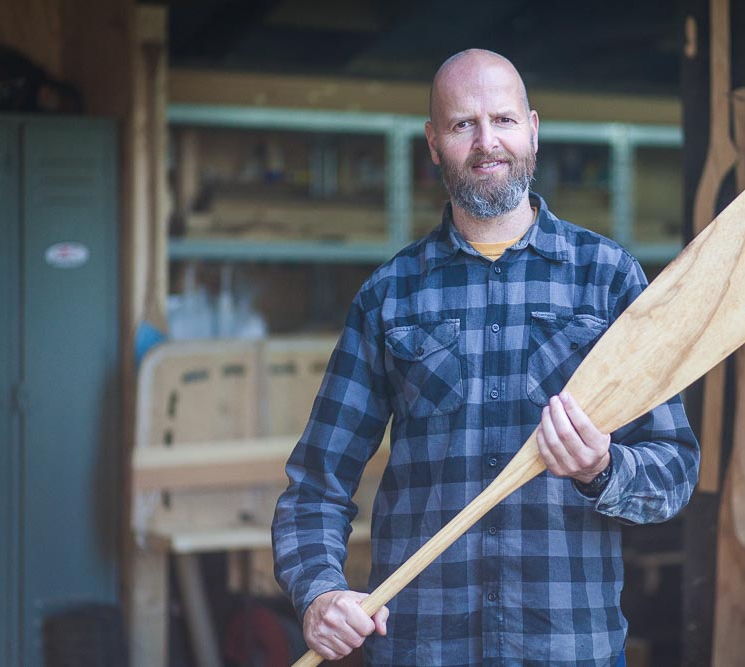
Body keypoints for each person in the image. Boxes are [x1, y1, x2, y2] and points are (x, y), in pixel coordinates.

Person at [272, 48, 699, 667]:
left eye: (502, 119)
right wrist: (319, 592)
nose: (486, 142)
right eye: (462, 124)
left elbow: (674, 470)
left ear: (532, 128)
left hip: (567, 645)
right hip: (422, 647)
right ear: (433, 143)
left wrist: (601, 469)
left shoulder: (608, 281)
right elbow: (316, 483)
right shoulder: (391, 295)